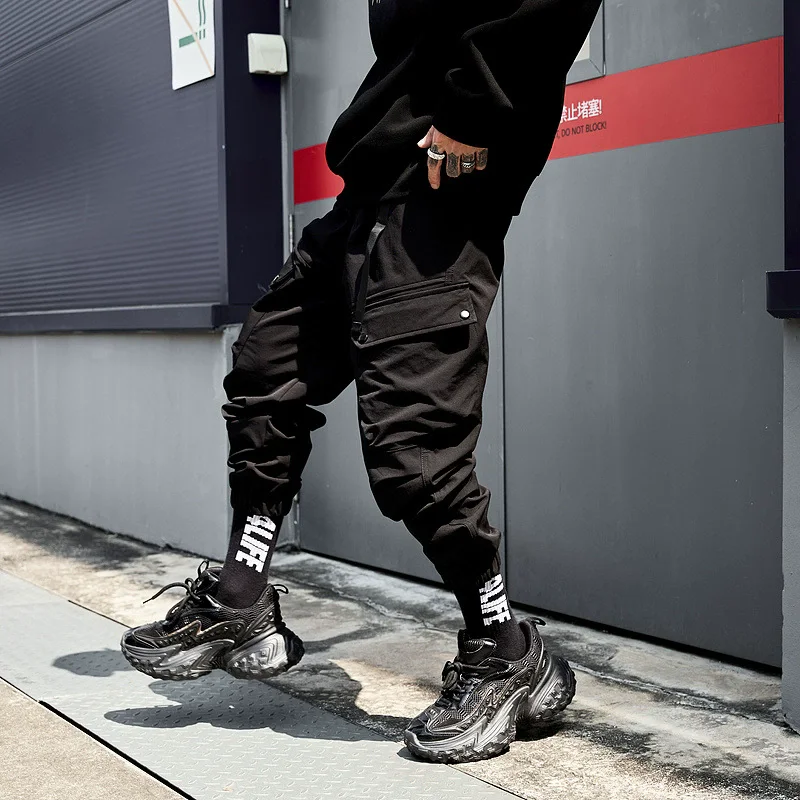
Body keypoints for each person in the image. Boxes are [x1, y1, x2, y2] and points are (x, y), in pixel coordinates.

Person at [121, 0, 603, 763]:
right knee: (265, 370)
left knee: (415, 454)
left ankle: (506, 650)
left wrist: (476, 114)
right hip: (369, 189)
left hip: (444, 190)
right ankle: (242, 599)